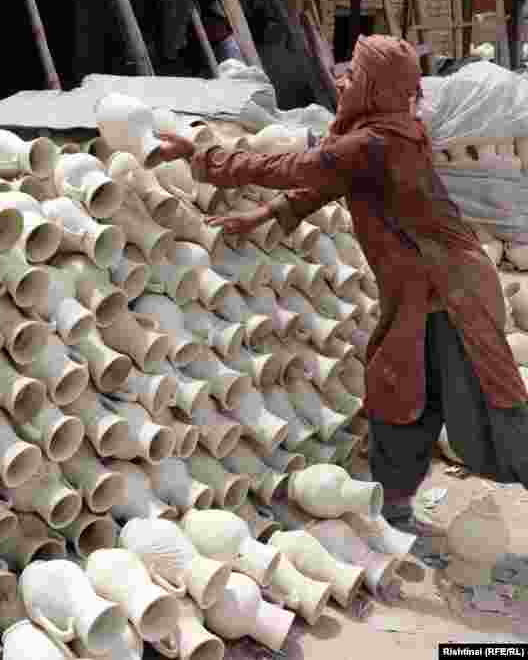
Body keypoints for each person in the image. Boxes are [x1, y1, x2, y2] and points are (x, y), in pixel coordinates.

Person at [156, 35, 528, 536]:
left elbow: (295, 167)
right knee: (402, 390)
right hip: (424, 287)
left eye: (352, 73)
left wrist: (202, 153)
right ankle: (394, 508)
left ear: (375, 85)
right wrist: (269, 213)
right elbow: (332, 179)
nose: (341, 80)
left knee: (484, 405)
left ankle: (401, 504)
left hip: (448, 292)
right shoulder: (384, 134)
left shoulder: (376, 141)